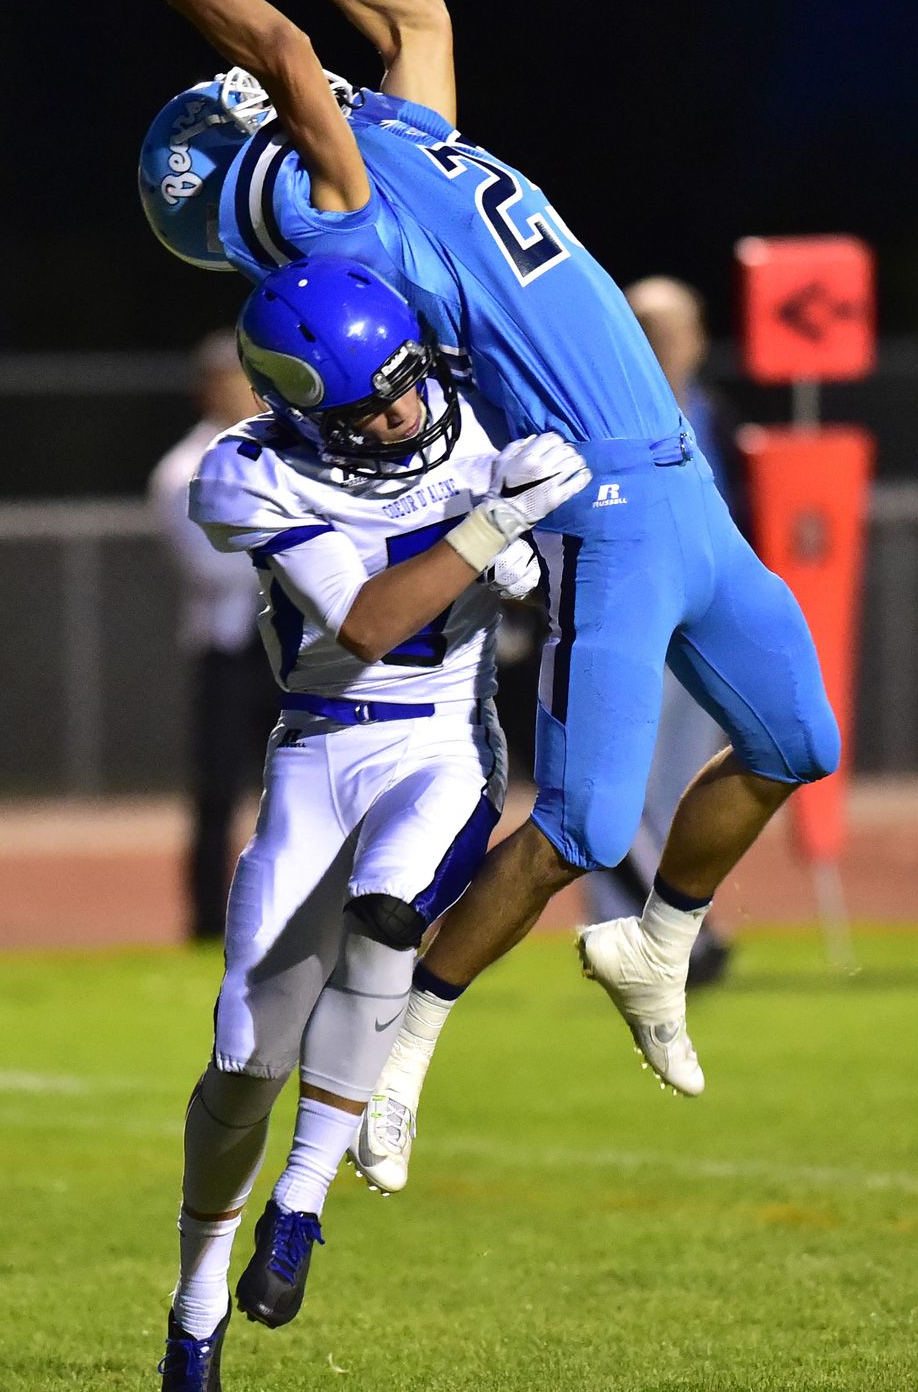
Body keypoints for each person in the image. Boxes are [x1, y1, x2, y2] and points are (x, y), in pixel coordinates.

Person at [59, 0, 839, 1148]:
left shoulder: (402, 139)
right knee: (582, 824)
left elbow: (419, 16)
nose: (258, 89)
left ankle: (663, 942)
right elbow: (296, 61)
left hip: (682, 483)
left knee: (794, 737)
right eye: (245, 106)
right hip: (605, 495)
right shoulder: (335, 214)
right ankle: (403, 1034)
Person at [154, 261, 585, 1389]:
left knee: (390, 917)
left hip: (441, 741)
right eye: (367, 406)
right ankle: (195, 1303)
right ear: (297, 408)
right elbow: (370, 617)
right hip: (315, 750)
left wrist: (546, 554)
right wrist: (497, 527)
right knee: (246, 1055)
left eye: (402, 385)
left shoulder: (476, 403)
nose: (399, 413)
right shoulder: (251, 470)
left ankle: (301, 1202)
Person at [584, 277, 745, 986]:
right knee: (616, 783)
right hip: (628, 627)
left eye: (673, 328)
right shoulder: (602, 415)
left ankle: (678, 930)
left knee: (688, 785)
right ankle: (618, 936)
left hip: (705, 628)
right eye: (646, 327)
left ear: (700, 336)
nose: (662, 343)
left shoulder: (722, 417)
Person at [148, 332, 279, 940]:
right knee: (218, 793)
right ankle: (205, 923)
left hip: (289, 647)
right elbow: (210, 565)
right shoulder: (182, 469)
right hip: (228, 648)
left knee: (298, 787)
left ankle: (295, 914)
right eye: (230, 378)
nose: (246, 392)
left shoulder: (286, 454)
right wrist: (295, 547)